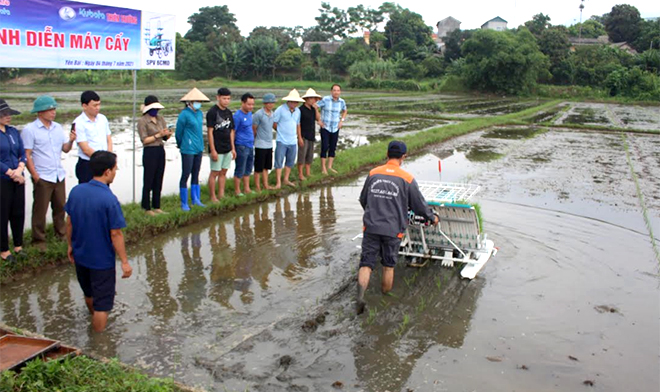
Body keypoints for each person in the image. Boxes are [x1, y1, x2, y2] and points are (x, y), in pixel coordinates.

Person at [356, 141, 439, 314]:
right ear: (403, 157)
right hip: (393, 230)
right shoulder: (407, 178)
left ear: (387, 154)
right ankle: (384, 299)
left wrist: (372, 215)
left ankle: (360, 297)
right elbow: (419, 206)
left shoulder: (373, 173)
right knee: (388, 265)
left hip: (371, 227)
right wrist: (432, 218)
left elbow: (363, 199)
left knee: (366, 264)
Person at [65, 151, 132, 332]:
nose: (116, 171)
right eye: (115, 168)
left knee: (89, 293)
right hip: (101, 261)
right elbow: (116, 234)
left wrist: (70, 245)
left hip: (81, 255)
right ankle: (99, 343)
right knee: (103, 306)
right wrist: (125, 262)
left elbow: (69, 222)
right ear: (107, 172)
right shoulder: (109, 199)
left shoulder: (76, 191)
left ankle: (93, 320)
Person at [21, 96, 76, 250]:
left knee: (60, 207)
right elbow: (27, 154)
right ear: (40, 112)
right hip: (43, 176)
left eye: (54, 109)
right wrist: (35, 175)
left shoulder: (58, 127)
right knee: (40, 209)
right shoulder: (30, 130)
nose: (53, 112)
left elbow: (65, 149)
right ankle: (38, 240)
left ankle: (61, 234)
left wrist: (71, 141)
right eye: (50, 109)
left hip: (58, 174)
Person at [0, 99, 26, 263]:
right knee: (2, 214)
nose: (8, 116)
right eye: (4, 114)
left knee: (18, 212)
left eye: (9, 113)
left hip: (18, 177)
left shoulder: (13, 132)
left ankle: (18, 245)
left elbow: (22, 153)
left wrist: (20, 169)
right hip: (2, 179)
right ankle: (3, 250)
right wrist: (10, 172)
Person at [137, 95, 172, 215]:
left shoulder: (160, 119)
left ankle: (157, 206)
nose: (156, 111)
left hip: (160, 150)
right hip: (149, 151)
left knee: (158, 177)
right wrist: (158, 135)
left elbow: (165, 137)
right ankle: (146, 207)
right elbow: (144, 140)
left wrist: (168, 134)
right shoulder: (142, 121)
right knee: (148, 179)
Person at [176, 88, 210, 211]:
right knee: (186, 174)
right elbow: (178, 132)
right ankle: (184, 202)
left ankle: (196, 199)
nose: (198, 103)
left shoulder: (200, 113)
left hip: (199, 147)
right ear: (189, 102)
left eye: (200, 101)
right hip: (187, 148)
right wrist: (181, 144)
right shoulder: (184, 114)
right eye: (196, 101)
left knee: (196, 173)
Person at [73, 90, 113, 184]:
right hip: (88, 164)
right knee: (88, 194)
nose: (98, 108)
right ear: (84, 106)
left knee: (104, 192)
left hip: (104, 163)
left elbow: (108, 139)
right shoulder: (78, 123)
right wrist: (103, 159)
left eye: (99, 104)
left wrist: (109, 158)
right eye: (94, 105)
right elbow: (86, 149)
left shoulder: (102, 118)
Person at [206, 87, 235, 202]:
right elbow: (210, 132)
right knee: (215, 172)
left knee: (223, 171)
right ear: (218, 98)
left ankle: (221, 194)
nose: (226, 101)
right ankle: (213, 196)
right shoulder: (212, 112)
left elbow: (232, 131)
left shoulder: (228, 112)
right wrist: (213, 150)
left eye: (228, 99)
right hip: (217, 148)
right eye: (224, 98)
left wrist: (233, 148)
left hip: (227, 147)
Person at [272, 89, 303, 189]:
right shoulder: (280, 110)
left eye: (297, 102)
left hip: (293, 141)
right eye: (293, 101)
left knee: (290, 161)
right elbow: (274, 123)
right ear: (289, 101)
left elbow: (298, 124)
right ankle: (278, 183)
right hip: (281, 140)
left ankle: (286, 179)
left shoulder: (298, 111)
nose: (295, 103)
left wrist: (299, 137)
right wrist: (281, 131)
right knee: (279, 162)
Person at [317, 84, 347, 174]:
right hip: (325, 127)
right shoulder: (325, 99)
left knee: (333, 147)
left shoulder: (342, 102)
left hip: (335, 127)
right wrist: (318, 120)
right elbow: (315, 107)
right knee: (325, 146)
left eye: (338, 90)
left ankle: (329, 167)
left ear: (340, 92)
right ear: (331, 91)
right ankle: (323, 168)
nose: (336, 92)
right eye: (334, 90)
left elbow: (345, 110)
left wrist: (341, 121)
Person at [252, 93, 276, 192]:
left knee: (266, 167)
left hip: (269, 144)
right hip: (260, 144)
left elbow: (274, 126)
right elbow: (254, 129)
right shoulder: (258, 114)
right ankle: (257, 187)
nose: (270, 105)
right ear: (265, 103)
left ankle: (266, 185)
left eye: (272, 103)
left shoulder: (273, 114)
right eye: (268, 103)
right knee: (258, 168)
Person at [233, 93, 255, 196]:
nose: (251, 107)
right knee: (240, 169)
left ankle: (247, 188)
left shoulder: (250, 114)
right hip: (241, 145)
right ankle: (237, 191)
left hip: (250, 145)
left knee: (248, 168)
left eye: (252, 104)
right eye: (248, 104)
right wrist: (233, 148)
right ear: (242, 103)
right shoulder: (237, 116)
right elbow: (233, 132)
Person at [297, 89, 322, 181]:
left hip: (311, 135)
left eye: (315, 99)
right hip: (303, 135)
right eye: (312, 98)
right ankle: (300, 174)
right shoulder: (300, 110)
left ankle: (308, 173)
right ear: (307, 99)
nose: (314, 100)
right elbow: (298, 125)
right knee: (302, 155)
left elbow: (318, 118)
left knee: (309, 155)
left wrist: (316, 109)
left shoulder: (312, 109)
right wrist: (299, 137)